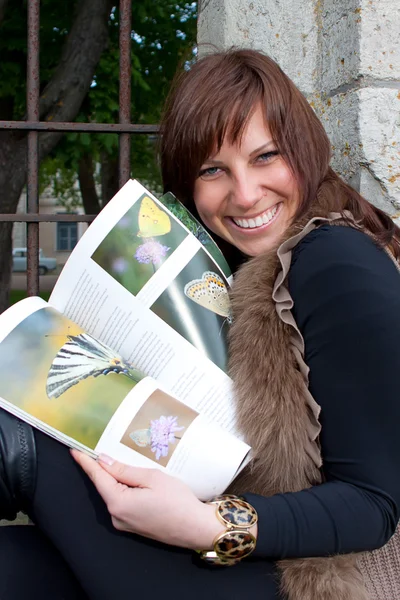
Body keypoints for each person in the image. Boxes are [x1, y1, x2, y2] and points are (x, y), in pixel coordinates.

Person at [1, 48, 400, 600]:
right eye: (214, 170)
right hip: (232, 545)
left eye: (266, 156)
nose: (245, 194)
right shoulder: (238, 269)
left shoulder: (334, 259)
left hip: (316, 580)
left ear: (305, 152)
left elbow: (374, 506)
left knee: (26, 407)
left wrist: (206, 526)